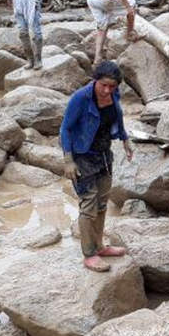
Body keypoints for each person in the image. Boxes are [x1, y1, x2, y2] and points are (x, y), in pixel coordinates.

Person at [60, 61, 135, 273]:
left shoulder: (114, 94)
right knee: (88, 205)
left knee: (102, 203)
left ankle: (100, 246)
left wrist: (125, 139)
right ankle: (89, 254)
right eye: (103, 85)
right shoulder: (80, 98)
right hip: (82, 155)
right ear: (95, 81)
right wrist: (68, 160)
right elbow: (65, 129)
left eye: (112, 86)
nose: (107, 91)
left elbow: (117, 115)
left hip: (103, 154)